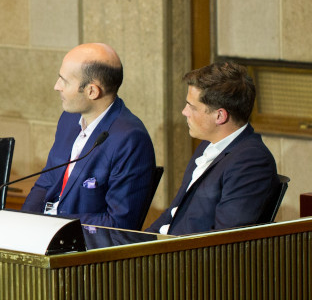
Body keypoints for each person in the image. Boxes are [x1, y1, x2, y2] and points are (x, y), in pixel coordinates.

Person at [21, 43, 156, 229]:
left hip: (84, 246)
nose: (56, 86)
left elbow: (119, 222)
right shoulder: (69, 119)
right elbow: (46, 182)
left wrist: (54, 226)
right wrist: (22, 225)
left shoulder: (130, 139)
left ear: (92, 91)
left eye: (64, 81)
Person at [147, 61, 279, 235]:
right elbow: (174, 211)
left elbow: (224, 239)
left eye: (192, 107)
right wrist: (140, 242)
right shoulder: (206, 145)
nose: (184, 112)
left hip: (186, 258)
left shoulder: (251, 162)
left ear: (220, 116)